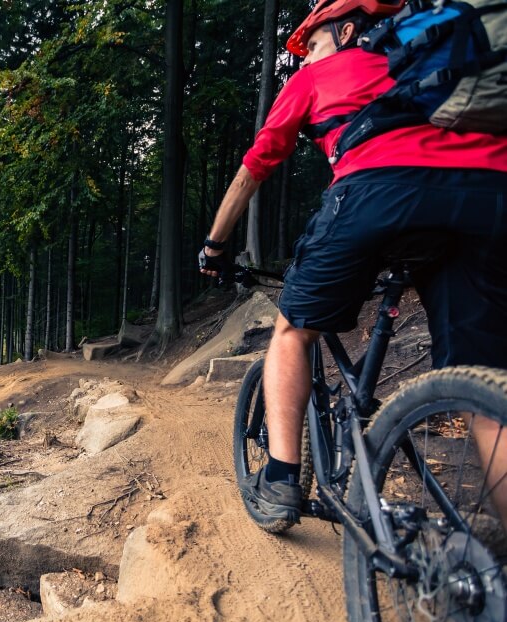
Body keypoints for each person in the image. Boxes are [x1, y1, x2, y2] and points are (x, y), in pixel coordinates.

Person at [199, 0, 507, 525]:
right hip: (488, 193)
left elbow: (254, 167)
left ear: (345, 30)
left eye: (313, 44)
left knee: (293, 332)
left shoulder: (320, 76)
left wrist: (215, 245)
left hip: (378, 192)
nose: (306, 59)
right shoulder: (426, 63)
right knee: (485, 378)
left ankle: (279, 480)